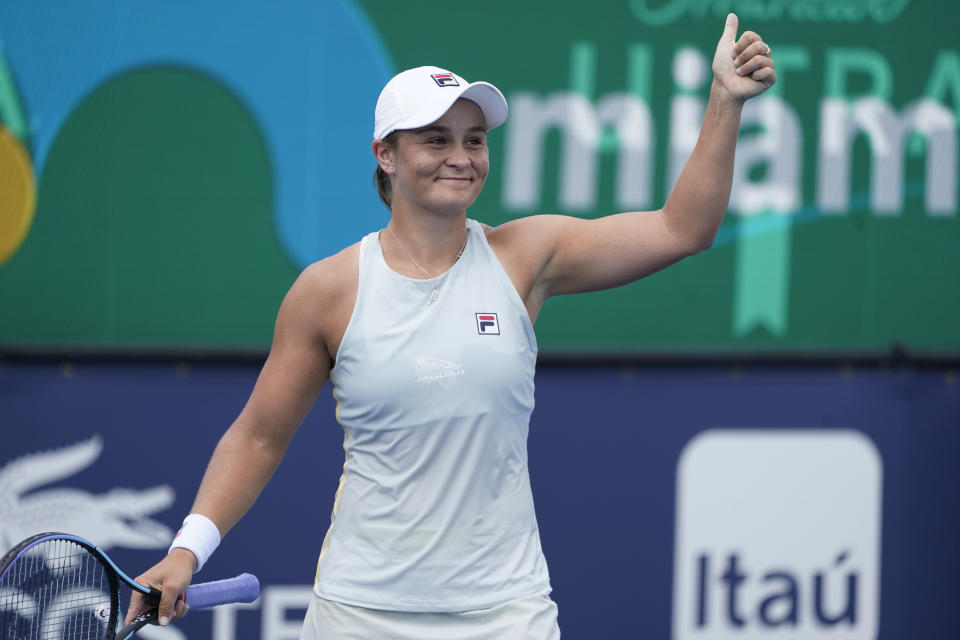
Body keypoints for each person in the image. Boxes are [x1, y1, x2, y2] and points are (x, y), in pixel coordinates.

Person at [127, 13, 776, 639]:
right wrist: (187, 551)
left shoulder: (526, 256)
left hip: (505, 614)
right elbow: (259, 438)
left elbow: (682, 228)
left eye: (474, 139)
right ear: (385, 154)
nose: (460, 157)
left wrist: (725, 101)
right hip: (360, 614)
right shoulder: (327, 291)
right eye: (436, 139)